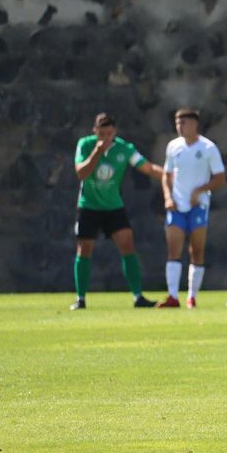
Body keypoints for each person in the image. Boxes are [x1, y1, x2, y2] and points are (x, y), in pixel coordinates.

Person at [71, 113, 164, 310]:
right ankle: (81, 299)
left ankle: (138, 296)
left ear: (114, 132)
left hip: (113, 206)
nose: (105, 138)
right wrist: (97, 152)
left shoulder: (124, 148)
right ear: (95, 131)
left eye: (109, 133)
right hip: (89, 205)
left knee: (127, 245)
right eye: (101, 133)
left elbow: (148, 168)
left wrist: (170, 177)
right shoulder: (86, 145)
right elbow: (81, 172)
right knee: (84, 249)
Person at [156, 108, 226, 309]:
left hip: (198, 206)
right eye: (178, 123)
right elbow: (166, 175)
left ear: (195, 124)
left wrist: (200, 190)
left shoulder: (208, 147)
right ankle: (172, 296)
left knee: (196, 250)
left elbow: (220, 178)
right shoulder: (173, 146)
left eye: (184, 122)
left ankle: (191, 296)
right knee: (173, 250)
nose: (180, 126)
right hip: (177, 206)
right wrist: (168, 197)